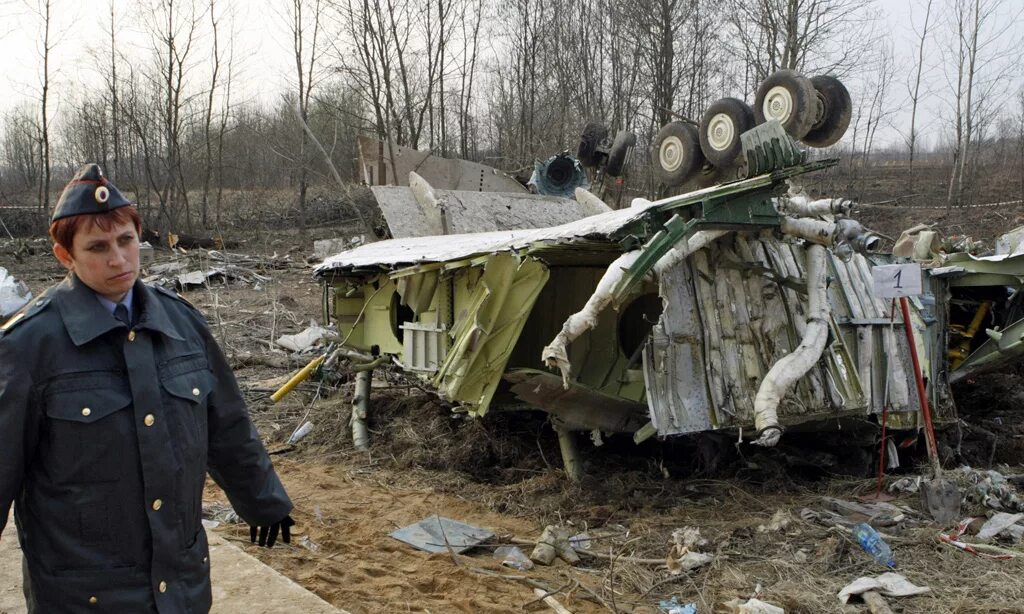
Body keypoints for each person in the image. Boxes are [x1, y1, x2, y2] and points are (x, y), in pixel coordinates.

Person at [0, 163, 294, 613]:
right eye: (97, 247)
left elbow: (228, 425)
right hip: (84, 595)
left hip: (180, 582)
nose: (118, 259)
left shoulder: (182, 324)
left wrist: (264, 501)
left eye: (126, 241)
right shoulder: (30, 346)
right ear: (65, 256)